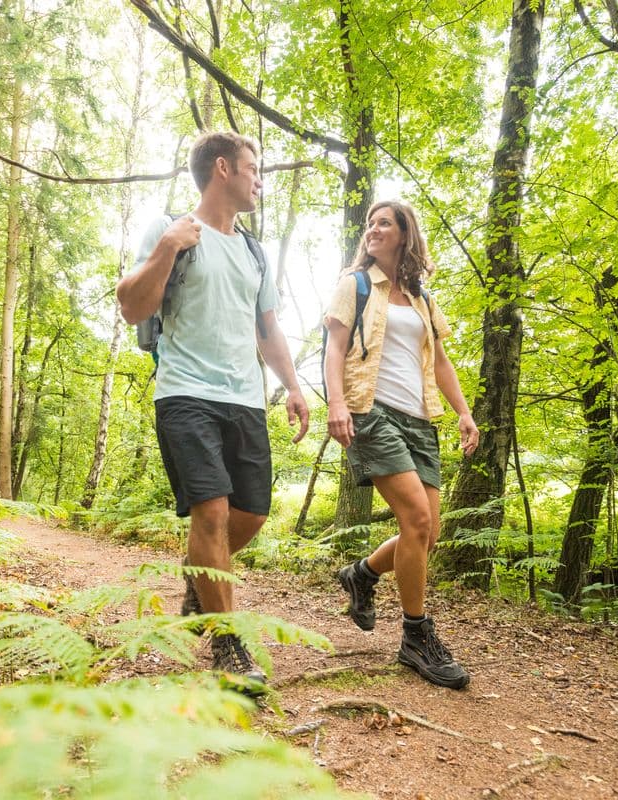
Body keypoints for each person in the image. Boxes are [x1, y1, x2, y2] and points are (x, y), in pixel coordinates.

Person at [117, 132, 309, 686]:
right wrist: (167, 248)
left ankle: (197, 583)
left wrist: (293, 386)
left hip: (244, 399)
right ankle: (228, 647)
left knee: (251, 514)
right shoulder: (171, 229)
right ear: (223, 169)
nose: (259, 180)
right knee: (213, 514)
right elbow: (132, 307)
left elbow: (267, 328)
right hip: (184, 392)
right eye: (254, 168)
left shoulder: (254, 251)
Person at [323, 200, 479, 690]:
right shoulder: (356, 284)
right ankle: (416, 636)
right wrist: (337, 405)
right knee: (415, 519)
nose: (373, 229)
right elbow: (334, 348)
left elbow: (441, 364)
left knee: (427, 534)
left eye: (384, 223)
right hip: (371, 412)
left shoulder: (422, 299)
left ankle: (362, 574)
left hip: (419, 421)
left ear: (405, 233)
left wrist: (464, 412)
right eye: (370, 223)